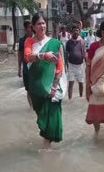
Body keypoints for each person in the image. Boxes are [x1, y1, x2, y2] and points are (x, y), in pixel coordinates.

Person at [24, 13, 67, 148]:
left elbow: (59, 68)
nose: (42, 26)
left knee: (51, 119)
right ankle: (47, 149)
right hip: (37, 88)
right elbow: (27, 57)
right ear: (33, 27)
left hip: (51, 89)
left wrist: (54, 87)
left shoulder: (54, 43)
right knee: (43, 117)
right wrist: (43, 55)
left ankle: (46, 151)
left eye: (43, 23)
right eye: (39, 24)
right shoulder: (29, 42)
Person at [66, 25, 86, 99]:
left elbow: (84, 52)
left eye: (77, 31)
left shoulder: (81, 41)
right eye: (74, 31)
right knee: (70, 83)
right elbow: (66, 54)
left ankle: (80, 97)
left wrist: (87, 65)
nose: (76, 32)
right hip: (71, 65)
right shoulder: (68, 42)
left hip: (80, 65)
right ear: (71, 32)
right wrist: (66, 66)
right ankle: (70, 100)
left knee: (81, 83)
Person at [18, 20, 33, 107]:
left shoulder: (35, 39)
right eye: (29, 28)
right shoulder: (22, 41)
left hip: (35, 67)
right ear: (25, 29)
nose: (31, 29)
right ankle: (31, 108)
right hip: (26, 68)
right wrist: (19, 69)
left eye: (32, 27)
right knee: (28, 89)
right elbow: (19, 55)